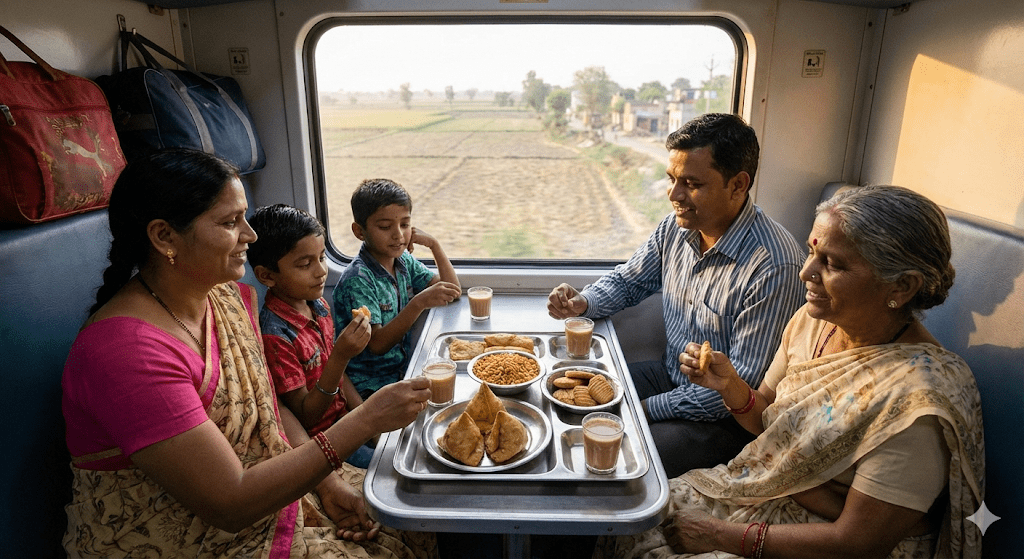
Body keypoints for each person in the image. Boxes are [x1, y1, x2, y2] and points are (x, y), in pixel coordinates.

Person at [61, 149, 437, 558]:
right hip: (183, 536)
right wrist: (366, 419)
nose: (250, 235)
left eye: (244, 216)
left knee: (411, 511)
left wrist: (326, 485)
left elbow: (268, 406)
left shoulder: (221, 297)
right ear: (164, 236)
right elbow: (230, 502)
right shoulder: (125, 355)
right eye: (229, 222)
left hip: (271, 487)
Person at [594, 186, 985, 559]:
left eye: (832, 264)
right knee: (628, 513)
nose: (805, 273)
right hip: (773, 493)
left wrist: (719, 535)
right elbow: (768, 424)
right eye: (812, 252)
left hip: (828, 542)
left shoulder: (917, 401)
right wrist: (730, 386)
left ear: (901, 285)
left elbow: (859, 543)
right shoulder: (813, 323)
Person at [547, 113, 805, 476]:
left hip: (726, 419)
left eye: (691, 183)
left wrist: (646, 408)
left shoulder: (773, 267)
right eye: (671, 179)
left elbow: (737, 389)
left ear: (738, 185)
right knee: (567, 400)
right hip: (669, 376)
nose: (674, 195)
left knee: (623, 455)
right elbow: (629, 280)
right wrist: (584, 302)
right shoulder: (677, 227)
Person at [247, 204, 376, 468]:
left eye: (322, 257)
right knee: (386, 466)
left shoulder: (317, 306)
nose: (320, 271)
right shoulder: (276, 335)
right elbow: (306, 416)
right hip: (324, 439)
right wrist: (341, 355)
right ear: (267, 276)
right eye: (305, 264)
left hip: (345, 418)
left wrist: (367, 417)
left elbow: (340, 378)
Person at [332, 178, 461, 399]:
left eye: (404, 225)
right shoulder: (358, 279)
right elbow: (377, 344)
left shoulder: (403, 261)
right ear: (359, 231)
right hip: (370, 386)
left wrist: (434, 245)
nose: (398, 235)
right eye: (384, 227)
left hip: (401, 373)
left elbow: (452, 290)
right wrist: (419, 302)